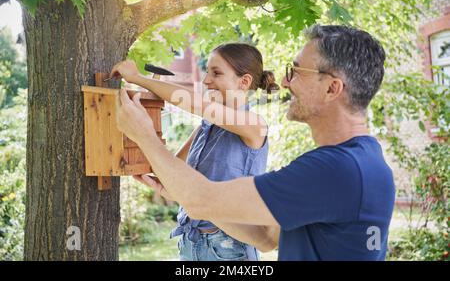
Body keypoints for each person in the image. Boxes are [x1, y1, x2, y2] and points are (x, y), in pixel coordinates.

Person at [113, 25, 396, 261]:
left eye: (296, 72)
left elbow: (202, 198)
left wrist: (144, 133)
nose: (285, 83)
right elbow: (265, 237)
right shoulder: (353, 161)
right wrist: (188, 197)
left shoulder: (336, 169)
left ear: (332, 88)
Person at [110, 43, 279, 261]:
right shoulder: (205, 128)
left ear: (243, 81)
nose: (206, 80)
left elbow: (193, 102)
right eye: (207, 72)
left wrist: (138, 78)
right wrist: (165, 188)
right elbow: (173, 170)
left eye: (216, 73)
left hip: (228, 248)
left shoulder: (255, 126)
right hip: (191, 243)